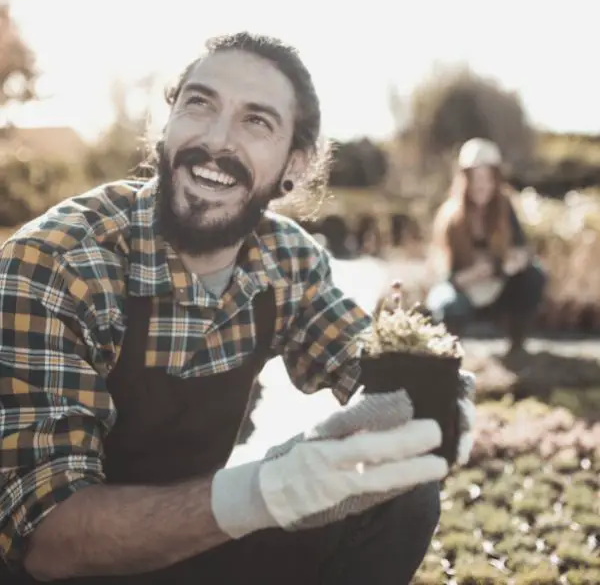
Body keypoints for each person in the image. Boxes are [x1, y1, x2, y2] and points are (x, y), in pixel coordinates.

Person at [0, 32, 475, 585]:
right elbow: (49, 540)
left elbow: (367, 364)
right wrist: (263, 491)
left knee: (400, 494)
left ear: (293, 164)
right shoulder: (58, 263)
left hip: (187, 542)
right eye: (199, 104)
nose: (217, 140)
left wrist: (439, 402)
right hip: (63, 564)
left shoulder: (287, 259)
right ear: (167, 124)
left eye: (257, 121)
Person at [426, 137, 547, 353]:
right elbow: (444, 274)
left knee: (534, 275)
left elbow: (522, 248)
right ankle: (450, 354)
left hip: (497, 288)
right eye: (475, 178)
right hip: (461, 291)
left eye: (488, 178)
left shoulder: (505, 208)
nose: (481, 185)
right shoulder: (450, 217)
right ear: (464, 179)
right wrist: (474, 274)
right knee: (448, 305)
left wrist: (511, 263)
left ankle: (517, 346)